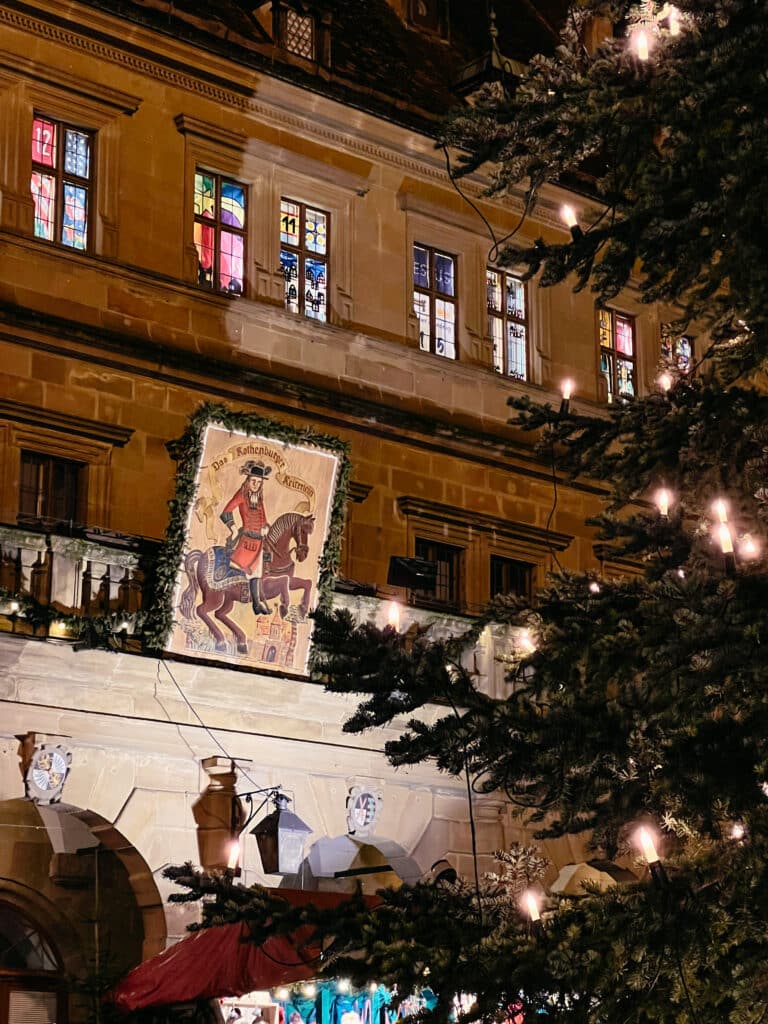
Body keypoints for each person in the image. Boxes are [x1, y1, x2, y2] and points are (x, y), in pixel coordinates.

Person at [220, 459, 272, 615]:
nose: (256, 484)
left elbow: (263, 518)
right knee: (249, 570)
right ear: (247, 480)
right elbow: (226, 511)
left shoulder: (259, 498)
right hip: (247, 540)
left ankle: (257, 603)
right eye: (253, 481)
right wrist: (234, 529)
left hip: (259, 540)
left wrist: (266, 527)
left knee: (261, 569)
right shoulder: (242, 495)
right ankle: (251, 602)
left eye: (259, 482)